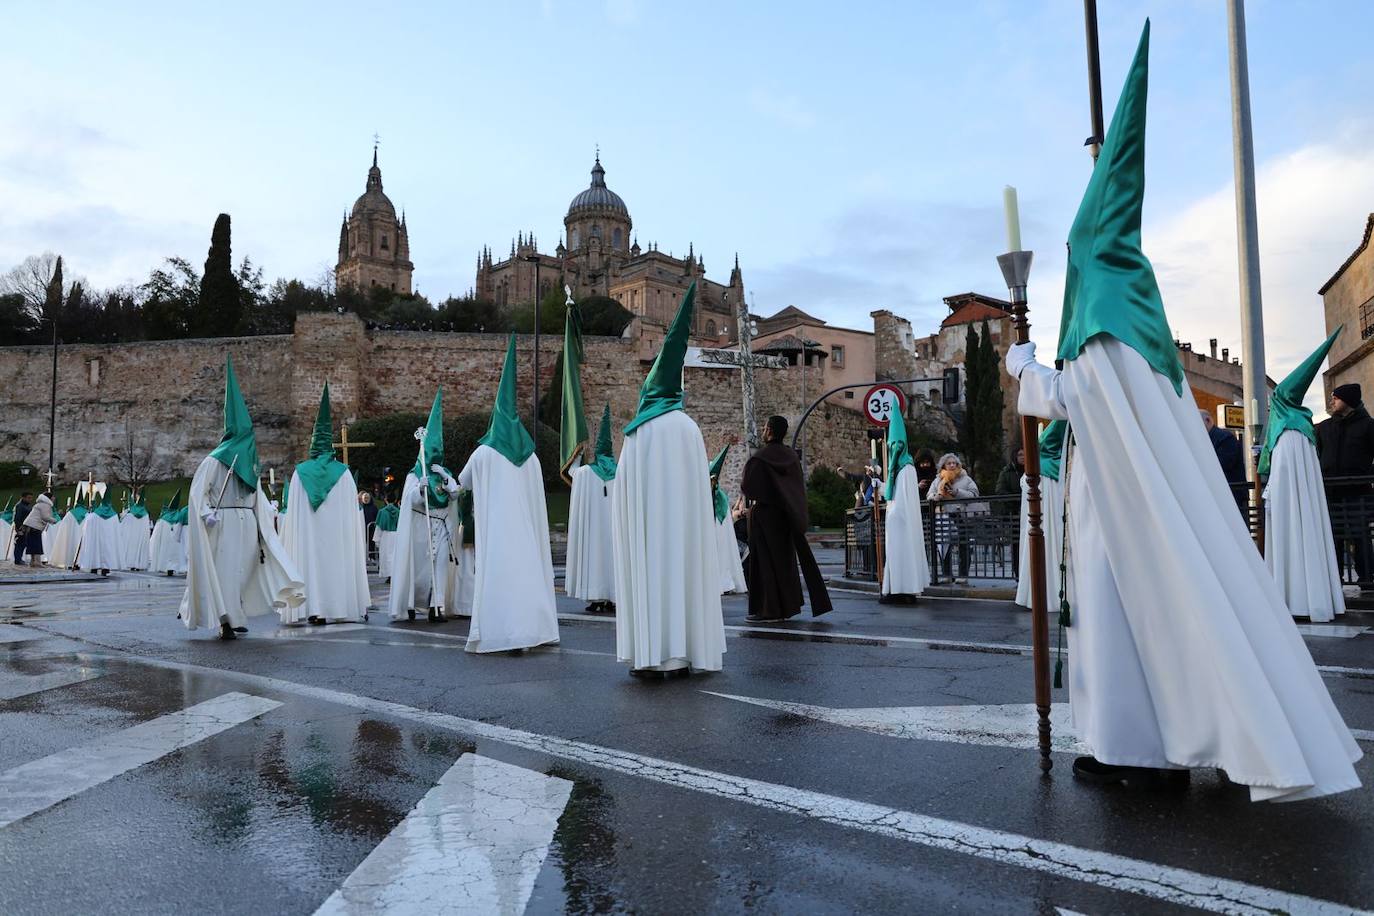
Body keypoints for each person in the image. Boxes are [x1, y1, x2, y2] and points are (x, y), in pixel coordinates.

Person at [1004, 22, 1359, 800]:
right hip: (1130, 499)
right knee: (1149, 616)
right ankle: (1139, 743)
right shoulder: (1144, 317)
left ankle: (1134, 750)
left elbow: (1074, 402)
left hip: (1115, 508)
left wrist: (1022, 364)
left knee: (1121, 620)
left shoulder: (1100, 314)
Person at [612, 283, 726, 676]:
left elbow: (623, 489)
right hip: (684, 532)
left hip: (647, 532)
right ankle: (683, 652)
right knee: (684, 578)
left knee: (651, 582)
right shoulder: (689, 428)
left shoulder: (637, 432)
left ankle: (652, 654)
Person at [181, 355, 305, 640]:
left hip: (246, 523)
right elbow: (198, 494)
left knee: (242, 573)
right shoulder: (213, 462)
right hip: (222, 523)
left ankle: (237, 615)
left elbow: (255, 494)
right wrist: (205, 513)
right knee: (223, 573)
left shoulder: (248, 463)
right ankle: (226, 620)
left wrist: (266, 511)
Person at [457, 334, 560, 654]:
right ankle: (534, 630)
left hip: (497, 531)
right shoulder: (531, 455)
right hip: (527, 532)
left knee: (500, 579)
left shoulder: (483, 454)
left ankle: (503, 633)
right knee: (528, 576)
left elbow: (462, 484)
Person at [1261, 329, 1346, 622]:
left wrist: (1270, 492)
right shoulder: (1304, 428)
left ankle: (1294, 599)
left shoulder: (1287, 433)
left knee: (1293, 540)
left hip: (1287, 506)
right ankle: (1316, 598)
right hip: (1303, 504)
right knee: (1308, 537)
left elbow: (1282, 476)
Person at [281, 383, 371, 626]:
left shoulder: (300, 473)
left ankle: (314, 608)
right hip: (337, 536)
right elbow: (353, 513)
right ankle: (340, 606)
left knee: (311, 564)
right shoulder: (344, 474)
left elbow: (292, 512)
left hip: (309, 538)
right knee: (337, 564)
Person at [741, 415, 833, 621]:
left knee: (765, 564)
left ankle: (770, 610)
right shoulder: (791, 457)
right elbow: (795, 489)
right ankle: (787, 608)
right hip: (785, 517)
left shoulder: (760, 457)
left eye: (765, 428)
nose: (764, 431)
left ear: (770, 431)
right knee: (784, 564)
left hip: (765, 517)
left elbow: (749, 488)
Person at [388, 390, 461, 623]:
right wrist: (420, 488)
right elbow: (410, 501)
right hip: (421, 526)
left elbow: (455, 493)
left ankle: (436, 606)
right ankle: (410, 604)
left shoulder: (444, 473)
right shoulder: (415, 474)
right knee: (418, 568)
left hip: (441, 525)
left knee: (439, 567)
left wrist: (446, 477)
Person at [1315, 381, 1374, 583]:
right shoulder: (1324, 427)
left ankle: (1366, 578)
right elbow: (1317, 455)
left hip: (1358, 492)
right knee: (1333, 536)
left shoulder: (1368, 426)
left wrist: (1366, 473)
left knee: (1360, 535)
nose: (1332, 401)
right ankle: (1334, 578)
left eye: (1336, 398)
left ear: (1348, 400)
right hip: (1331, 491)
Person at [566, 404, 618, 614]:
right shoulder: (621, 473)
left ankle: (598, 598)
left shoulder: (586, 473)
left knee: (596, 558)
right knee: (613, 557)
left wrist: (577, 454)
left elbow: (572, 472)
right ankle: (613, 597)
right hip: (614, 530)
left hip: (594, 529)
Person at [1015, 422, 1068, 611]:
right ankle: (1044, 589)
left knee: (1048, 533)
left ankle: (1045, 591)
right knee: (1046, 533)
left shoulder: (1058, 420)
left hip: (1046, 478)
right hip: (1045, 477)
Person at [881, 409, 930, 600]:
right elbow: (893, 494)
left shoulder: (907, 467)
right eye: (892, 444)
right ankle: (895, 589)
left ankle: (906, 589)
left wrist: (894, 515)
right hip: (896, 521)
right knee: (895, 556)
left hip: (901, 522)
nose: (894, 447)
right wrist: (880, 484)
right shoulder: (898, 469)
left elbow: (904, 499)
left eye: (897, 444)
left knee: (903, 554)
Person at [926, 453, 978, 583]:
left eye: (954, 463)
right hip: (943, 515)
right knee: (943, 546)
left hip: (961, 515)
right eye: (949, 463)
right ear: (944, 465)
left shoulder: (965, 479)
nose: (952, 465)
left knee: (964, 545)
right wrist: (935, 496)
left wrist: (957, 493)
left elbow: (974, 494)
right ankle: (946, 574)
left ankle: (963, 575)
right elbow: (929, 494)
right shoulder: (938, 479)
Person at [710, 444, 748, 595]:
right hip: (714, 534)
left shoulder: (720, 498)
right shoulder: (717, 497)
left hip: (718, 534)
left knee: (720, 553)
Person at [79, 490, 122, 576]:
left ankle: (94, 566)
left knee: (95, 549)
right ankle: (105, 568)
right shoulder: (114, 516)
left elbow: (87, 525)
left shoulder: (94, 515)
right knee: (107, 549)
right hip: (109, 540)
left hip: (96, 539)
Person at [149, 489, 188, 577]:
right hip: (174, 540)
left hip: (165, 540)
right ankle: (173, 567)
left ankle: (165, 566)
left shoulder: (163, 518)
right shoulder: (179, 516)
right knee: (174, 553)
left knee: (165, 551)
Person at [19, 493, 57, 568]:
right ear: (49, 498)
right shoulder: (45, 505)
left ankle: (33, 562)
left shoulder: (40, 504)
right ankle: (37, 562)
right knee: (36, 544)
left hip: (30, 526)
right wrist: (54, 520)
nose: (54, 498)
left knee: (32, 544)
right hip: (35, 526)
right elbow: (45, 517)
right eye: (53, 497)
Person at [48, 499, 85, 570]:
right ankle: (80, 562)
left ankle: (71, 562)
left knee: (71, 546)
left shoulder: (70, 514)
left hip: (71, 538)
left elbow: (63, 529)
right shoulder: (88, 514)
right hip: (81, 537)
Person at [119, 490, 151, 571]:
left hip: (131, 537)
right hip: (141, 537)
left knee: (131, 548)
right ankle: (139, 563)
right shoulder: (146, 515)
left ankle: (130, 563)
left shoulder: (129, 514)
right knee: (139, 548)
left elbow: (123, 526)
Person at [373, 494, 399, 582]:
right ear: (395, 500)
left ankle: (389, 575)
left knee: (386, 556)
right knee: (394, 555)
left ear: (385, 500)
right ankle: (394, 575)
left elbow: (379, 527)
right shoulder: (398, 511)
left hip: (385, 535)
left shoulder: (382, 511)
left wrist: (377, 540)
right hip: (396, 535)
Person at [11, 493, 33, 564]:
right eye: (28, 498)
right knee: (19, 544)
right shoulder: (19, 506)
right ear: (23, 498)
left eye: (31, 498)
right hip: (21, 528)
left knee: (23, 544)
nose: (30, 499)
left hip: (26, 528)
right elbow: (17, 518)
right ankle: (17, 560)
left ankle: (19, 558)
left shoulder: (27, 505)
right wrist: (19, 529)